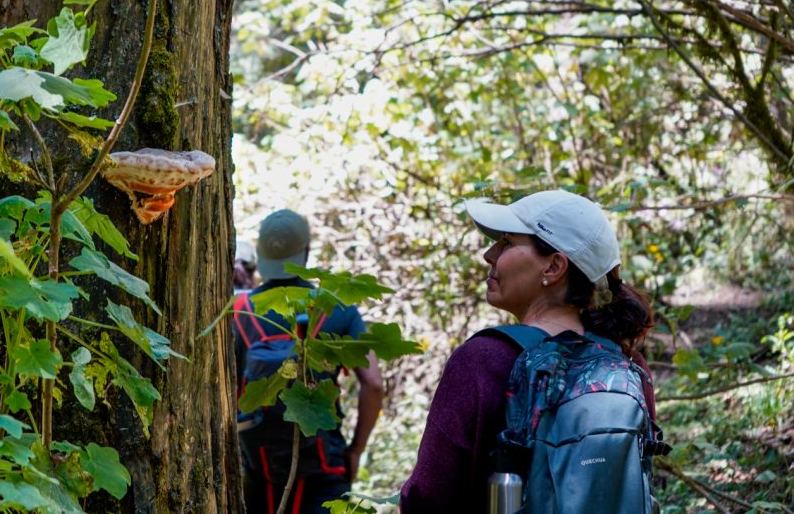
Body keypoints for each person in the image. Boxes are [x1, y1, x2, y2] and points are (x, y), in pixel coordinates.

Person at [399, 190, 657, 513]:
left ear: (553, 267)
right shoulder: (629, 365)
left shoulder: (481, 362)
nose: (489, 255)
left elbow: (426, 500)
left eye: (506, 242)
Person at [234, 209, 384, 514]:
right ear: (306, 252)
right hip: (324, 468)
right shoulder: (339, 309)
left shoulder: (238, 311)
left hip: (256, 471)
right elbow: (374, 385)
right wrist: (354, 452)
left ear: (261, 255)